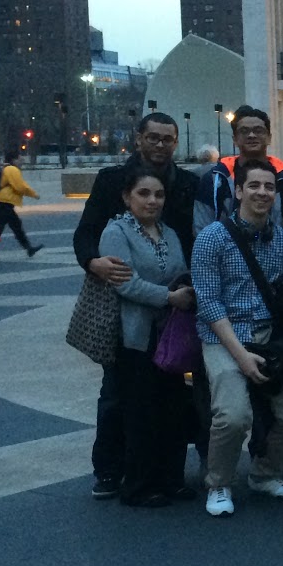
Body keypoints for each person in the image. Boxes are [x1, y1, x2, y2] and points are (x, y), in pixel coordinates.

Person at [74, 113, 200, 501]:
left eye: (168, 139)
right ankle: (113, 472)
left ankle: (165, 475)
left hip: (170, 323)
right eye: (153, 137)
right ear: (139, 139)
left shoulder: (188, 185)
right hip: (131, 323)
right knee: (118, 399)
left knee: (170, 402)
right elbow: (87, 234)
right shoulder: (112, 182)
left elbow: (188, 246)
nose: (160, 144)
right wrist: (91, 261)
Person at [190, 157, 283, 517]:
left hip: (271, 336)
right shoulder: (212, 238)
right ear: (238, 191)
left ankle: (265, 473)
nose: (262, 192)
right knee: (233, 415)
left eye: (269, 187)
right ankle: (219, 482)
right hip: (224, 336)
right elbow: (209, 304)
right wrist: (240, 356)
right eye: (254, 186)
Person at [98, 163, 196, 507]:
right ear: (127, 197)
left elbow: (180, 268)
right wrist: (169, 297)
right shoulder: (116, 232)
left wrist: (183, 288)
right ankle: (138, 484)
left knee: (172, 409)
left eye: (158, 194)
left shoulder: (168, 232)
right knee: (141, 412)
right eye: (143, 193)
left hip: (170, 334)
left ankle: (171, 478)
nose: (152, 200)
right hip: (135, 336)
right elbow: (124, 281)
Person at [193, 105, 283, 235]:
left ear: (269, 137)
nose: (251, 135)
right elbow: (201, 231)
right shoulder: (214, 181)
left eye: (258, 130)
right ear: (234, 139)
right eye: (244, 131)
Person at [0, 148, 43, 262]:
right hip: (5, 202)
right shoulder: (12, 170)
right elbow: (20, 186)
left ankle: (28, 248)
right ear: (14, 159)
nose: (22, 160)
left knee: (15, 225)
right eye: (19, 158)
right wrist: (34, 194)